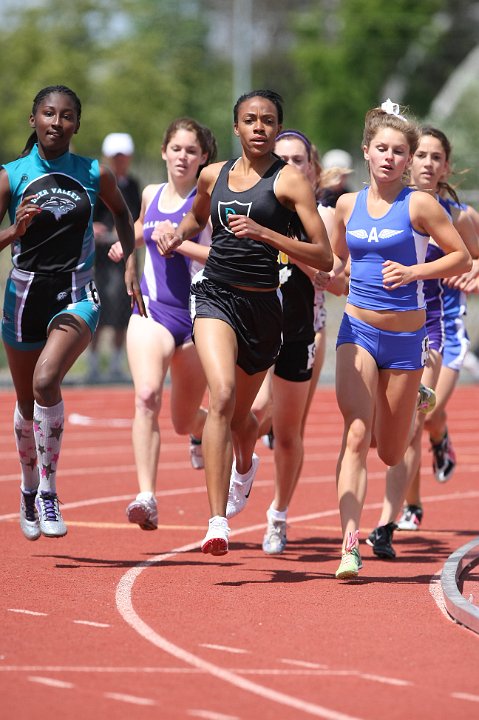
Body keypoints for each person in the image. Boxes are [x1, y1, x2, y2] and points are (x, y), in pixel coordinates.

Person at [157, 90, 333, 556]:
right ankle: (217, 522)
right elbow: (196, 218)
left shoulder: (290, 182)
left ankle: (245, 461)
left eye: (268, 120)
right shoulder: (212, 175)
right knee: (223, 397)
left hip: (263, 310)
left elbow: (324, 255)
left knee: (240, 421)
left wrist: (266, 233)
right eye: (250, 120)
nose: (259, 127)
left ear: (278, 128)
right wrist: (178, 233)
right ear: (236, 127)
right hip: (216, 296)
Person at [331, 100, 471, 579]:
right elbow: (337, 265)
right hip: (358, 330)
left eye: (399, 151)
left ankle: (416, 401)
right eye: (381, 149)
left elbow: (460, 258)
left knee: (390, 451)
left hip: (407, 340)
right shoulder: (346, 206)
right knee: (354, 432)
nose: (390, 157)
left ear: (408, 159)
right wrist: (320, 273)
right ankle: (351, 544)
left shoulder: (421, 205)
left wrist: (415, 269)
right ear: (366, 152)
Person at [0, 85, 145, 541]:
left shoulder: (93, 172)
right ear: (33, 120)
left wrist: (131, 264)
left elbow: (123, 215)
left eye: (66, 116)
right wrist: (14, 231)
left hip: (76, 293)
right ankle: (27, 488)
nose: (56, 122)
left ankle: (47, 490)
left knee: (46, 381)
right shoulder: (10, 176)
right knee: (26, 405)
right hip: (23, 296)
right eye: (48, 113)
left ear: (76, 125)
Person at [108, 117, 217, 531]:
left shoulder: (208, 201)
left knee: (183, 420)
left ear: (204, 157)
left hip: (198, 318)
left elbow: (221, 259)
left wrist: (182, 242)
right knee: (147, 396)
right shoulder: (152, 192)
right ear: (164, 151)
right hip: (152, 311)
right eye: (177, 148)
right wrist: (127, 244)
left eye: (192, 150)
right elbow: (142, 227)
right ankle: (146, 497)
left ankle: (206, 434)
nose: (183, 156)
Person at [247, 128, 334, 554]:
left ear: (312, 169)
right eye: (282, 158)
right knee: (254, 409)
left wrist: (293, 250)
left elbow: (334, 282)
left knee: (288, 430)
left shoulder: (324, 216)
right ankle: (241, 461)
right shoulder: (259, 206)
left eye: (298, 159)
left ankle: (278, 514)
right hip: (260, 323)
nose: (289, 166)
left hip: (306, 327)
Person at [86, 132, 141, 383]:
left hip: (123, 257)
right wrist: (93, 226)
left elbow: (136, 219)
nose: (119, 160)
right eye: (115, 156)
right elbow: (88, 216)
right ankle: (94, 366)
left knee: (122, 311)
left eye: (123, 156)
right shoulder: (95, 184)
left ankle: (117, 364)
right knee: (95, 310)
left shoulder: (133, 185)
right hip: (98, 258)